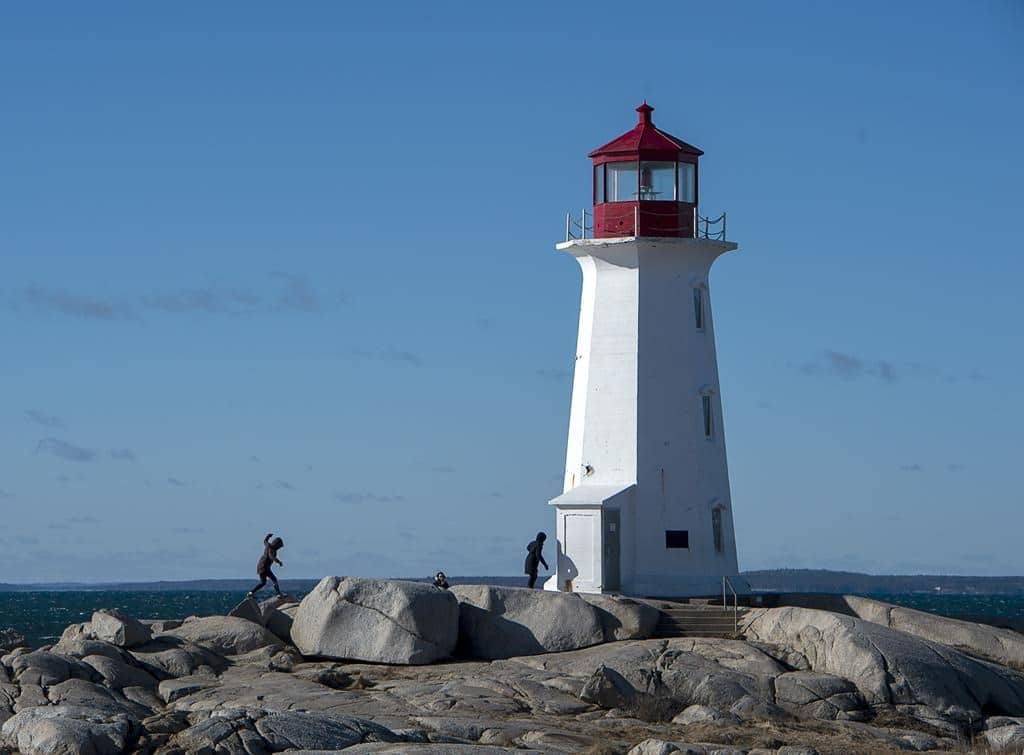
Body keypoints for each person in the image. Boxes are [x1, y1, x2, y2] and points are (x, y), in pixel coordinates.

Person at [247, 533, 284, 598]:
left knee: (263, 583)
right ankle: (278, 594)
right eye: (279, 546)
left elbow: (265, 541)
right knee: (274, 579)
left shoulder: (268, 545)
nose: (279, 548)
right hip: (265, 567)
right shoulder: (272, 549)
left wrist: (268, 536)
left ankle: (250, 593)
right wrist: (278, 562)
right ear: (277, 545)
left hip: (260, 566)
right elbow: (271, 556)